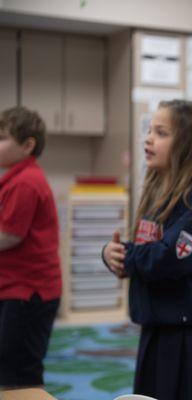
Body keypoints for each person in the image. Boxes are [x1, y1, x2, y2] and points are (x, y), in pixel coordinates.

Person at [102, 100, 192, 400]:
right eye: (149, 131)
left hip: (191, 341)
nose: (148, 138)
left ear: (191, 145)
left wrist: (126, 254)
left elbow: (170, 257)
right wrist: (114, 255)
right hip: (160, 328)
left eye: (161, 133)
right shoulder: (160, 194)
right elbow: (148, 250)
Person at [0, 106, 61, 389]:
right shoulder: (15, 177)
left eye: (2, 138)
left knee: (20, 369)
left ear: (28, 145)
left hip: (28, 292)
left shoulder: (26, 182)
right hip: (16, 287)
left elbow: (10, 236)